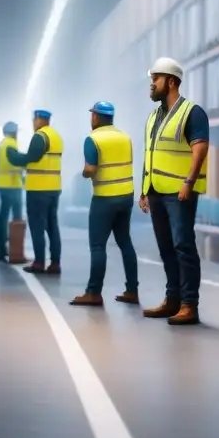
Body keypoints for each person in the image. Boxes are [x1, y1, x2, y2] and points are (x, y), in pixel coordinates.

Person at [139, 57, 209, 326]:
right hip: (157, 191)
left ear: (171, 82)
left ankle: (189, 304)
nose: (151, 84)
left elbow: (200, 148)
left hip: (180, 192)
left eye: (155, 79)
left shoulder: (192, 112)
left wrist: (188, 182)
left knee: (183, 245)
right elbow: (151, 152)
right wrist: (144, 191)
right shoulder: (154, 117)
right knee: (166, 247)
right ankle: (172, 300)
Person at [70, 101, 140, 308]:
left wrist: (83, 173)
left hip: (104, 198)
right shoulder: (125, 138)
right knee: (125, 242)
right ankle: (132, 290)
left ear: (96, 117)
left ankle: (93, 292)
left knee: (98, 246)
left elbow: (90, 169)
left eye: (92, 115)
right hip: (126, 197)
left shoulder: (93, 139)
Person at [6, 110, 63, 274]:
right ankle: (55, 263)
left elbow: (30, 158)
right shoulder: (56, 136)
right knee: (52, 227)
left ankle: (39, 263)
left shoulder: (40, 136)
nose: (33, 122)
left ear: (39, 120)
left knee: (37, 226)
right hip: (54, 188)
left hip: (38, 189)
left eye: (34, 119)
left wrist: (13, 156)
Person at [0, 121, 24, 262]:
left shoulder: (2, 144)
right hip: (12, 185)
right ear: (14, 132)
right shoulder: (11, 144)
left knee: (3, 218)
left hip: (3, 185)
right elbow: (16, 161)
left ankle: (2, 251)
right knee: (17, 219)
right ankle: (16, 252)